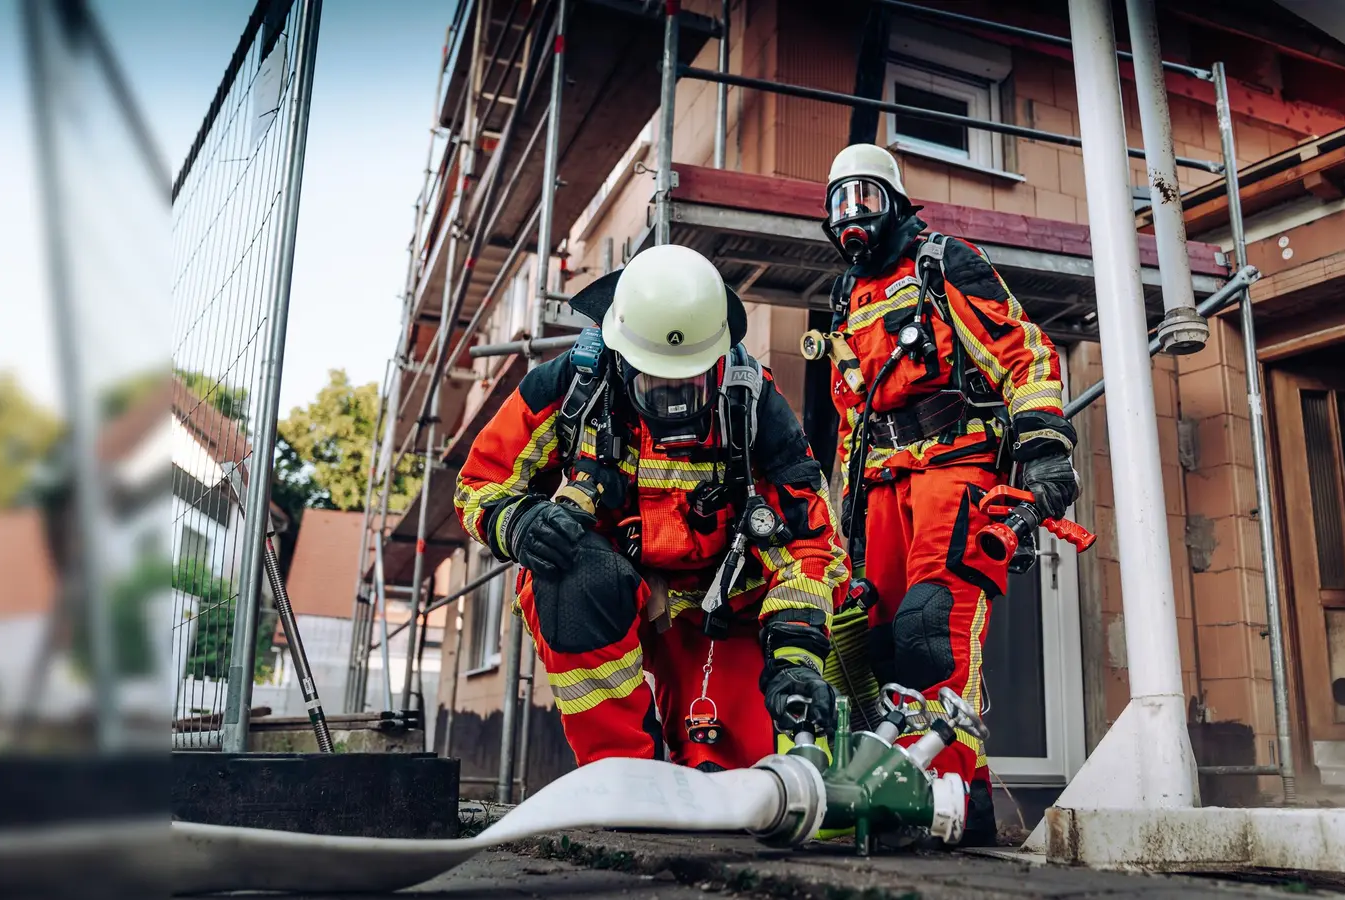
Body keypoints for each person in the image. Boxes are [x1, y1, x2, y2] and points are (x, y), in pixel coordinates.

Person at [455, 244, 846, 772]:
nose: (676, 402)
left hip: (718, 607)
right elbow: (479, 482)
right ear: (621, 358)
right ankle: (620, 769)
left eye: (690, 382)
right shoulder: (571, 387)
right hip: (609, 590)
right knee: (569, 575)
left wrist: (795, 663)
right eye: (656, 384)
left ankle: (703, 752)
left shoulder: (753, 403)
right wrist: (521, 523)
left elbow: (812, 547)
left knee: (734, 775)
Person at [818, 144, 1080, 845]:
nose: (852, 217)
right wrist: (846, 522)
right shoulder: (845, 297)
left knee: (933, 637)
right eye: (839, 203)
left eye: (865, 199)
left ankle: (946, 798)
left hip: (955, 471)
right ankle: (964, 799)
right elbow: (853, 419)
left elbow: (1024, 352)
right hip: (878, 488)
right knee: (874, 645)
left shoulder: (942, 262)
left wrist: (1045, 447)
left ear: (896, 202)